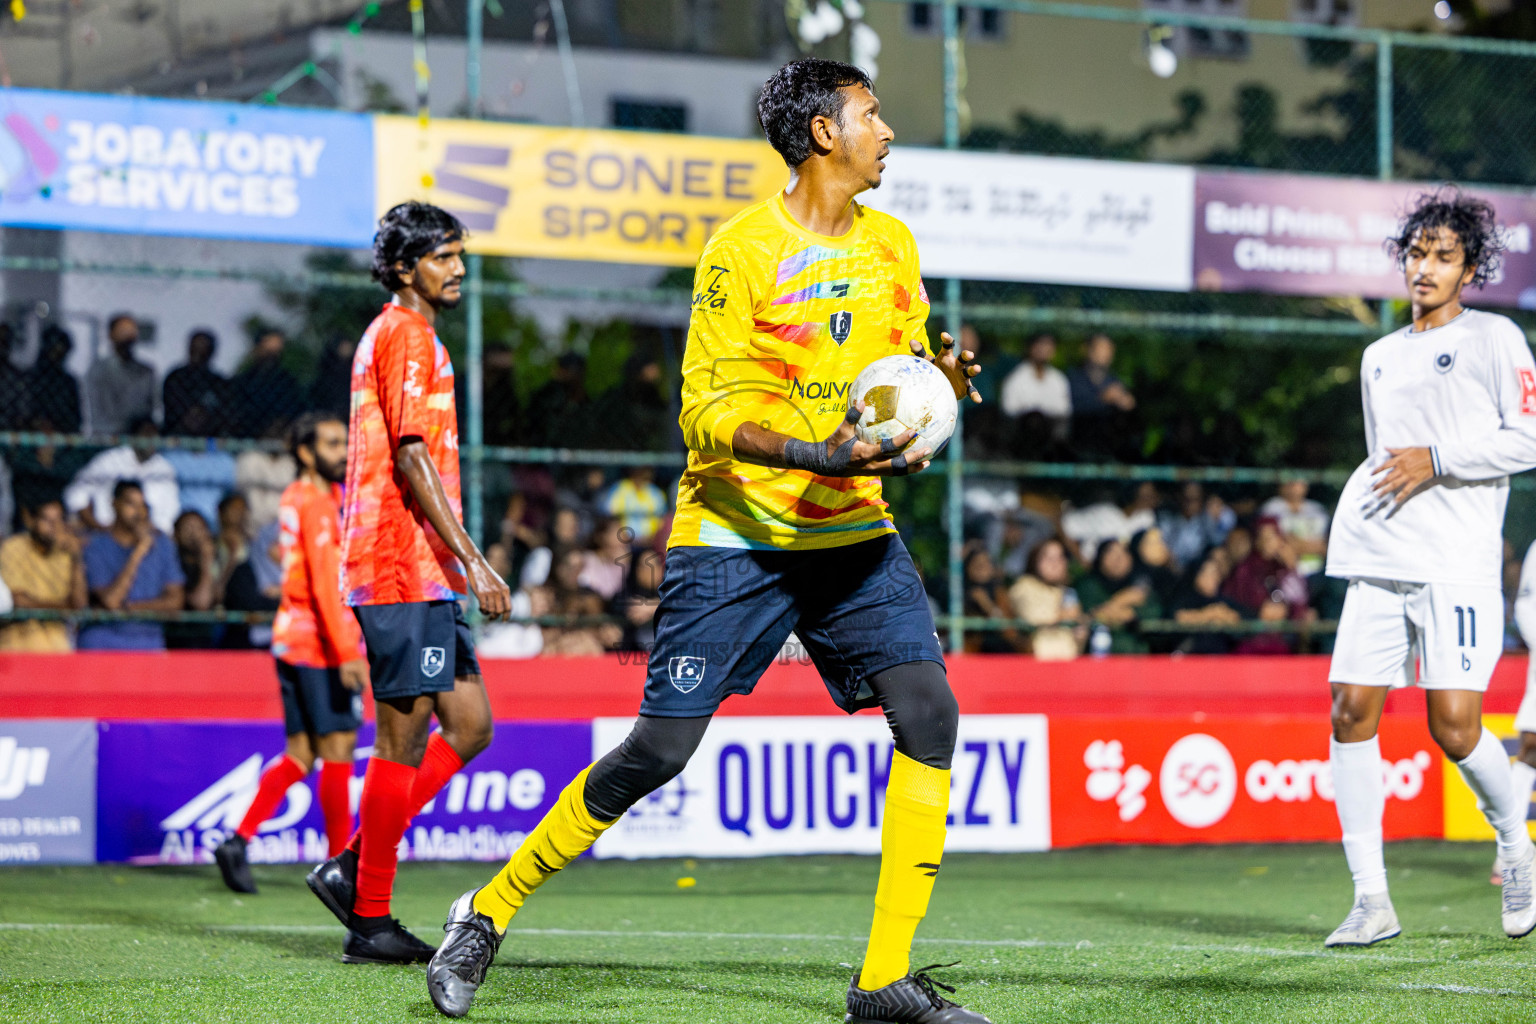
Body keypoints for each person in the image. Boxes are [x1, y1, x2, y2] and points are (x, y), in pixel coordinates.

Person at [423, 58, 989, 1024]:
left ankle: (883, 982)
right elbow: (705, 414)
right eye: (871, 114)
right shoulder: (741, 252)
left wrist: (933, 390)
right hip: (735, 536)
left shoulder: (892, 243)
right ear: (822, 133)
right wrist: (821, 449)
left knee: (930, 717)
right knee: (659, 752)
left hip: (852, 534)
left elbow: (895, 368)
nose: (886, 131)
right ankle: (487, 909)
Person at [1322, 188, 1536, 948]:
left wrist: (1438, 460)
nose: (1425, 267)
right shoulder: (1378, 356)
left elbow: (1528, 441)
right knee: (1349, 711)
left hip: (1456, 562)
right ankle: (1370, 900)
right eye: (1416, 253)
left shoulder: (1496, 339)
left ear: (1469, 267)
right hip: (1378, 555)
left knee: (1454, 727)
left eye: (1444, 256)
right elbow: (1388, 461)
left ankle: (1516, 844)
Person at [303, 202, 509, 966]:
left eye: (459, 255)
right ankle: (370, 917)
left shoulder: (409, 337)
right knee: (401, 737)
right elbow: (413, 458)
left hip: (423, 566)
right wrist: (476, 560)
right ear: (403, 267)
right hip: (399, 564)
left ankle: (353, 865)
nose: (458, 268)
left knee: (471, 725)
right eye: (444, 256)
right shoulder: (406, 335)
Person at [214, 413, 369, 895]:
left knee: (300, 755)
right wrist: (347, 651)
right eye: (331, 443)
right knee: (339, 750)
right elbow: (325, 584)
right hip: (319, 644)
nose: (343, 450)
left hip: (289, 638)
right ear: (305, 452)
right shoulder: (319, 505)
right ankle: (343, 869)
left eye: (345, 441)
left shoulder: (296, 497)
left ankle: (238, 840)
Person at [77, 480, 185, 650]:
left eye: (142, 505)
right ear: (114, 504)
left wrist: (130, 608)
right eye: (130, 504)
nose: (138, 512)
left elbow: (175, 601)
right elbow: (111, 601)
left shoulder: (163, 544)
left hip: (148, 638)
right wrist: (139, 551)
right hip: (104, 637)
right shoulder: (95, 546)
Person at [63, 417, 181, 534]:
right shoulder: (109, 460)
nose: (151, 440)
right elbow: (75, 494)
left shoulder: (165, 469)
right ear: (134, 437)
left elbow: (170, 512)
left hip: (149, 535)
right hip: (106, 533)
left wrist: (154, 531)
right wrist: (97, 527)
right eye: (147, 435)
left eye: (155, 436)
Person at [0, 497, 86, 652]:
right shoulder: (13, 547)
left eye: (58, 521)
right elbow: (18, 602)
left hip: (57, 643)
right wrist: (64, 607)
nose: (54, 527)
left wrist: (77, 558)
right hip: (17, 642)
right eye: (47, 520)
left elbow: (78, 605)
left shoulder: (66, 553)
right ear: (30, 520)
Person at [1007, 537, 1083, 660]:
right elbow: (1034, 618)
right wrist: (1063, 615)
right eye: (1049, 558)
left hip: (1068, 663)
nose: (1055, 564)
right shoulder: (1023, 586)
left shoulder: (1066, 592)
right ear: (1035, 560)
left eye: (1060, 558)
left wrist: (1079, 627)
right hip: (1037, 662)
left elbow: (1078, 636)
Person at [1066, 332, 1136, 458]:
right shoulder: (1073, 378)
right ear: (1088, 350)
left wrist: (1128, 406)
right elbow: (1071, 409)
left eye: (1109, 349)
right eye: (1101, 348)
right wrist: (1103, 399)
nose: (1106, 353)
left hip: (1109, 450)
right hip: (1078, 449)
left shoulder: (1115, 382)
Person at [998, 332, 1070, 451]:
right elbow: (1009, 411)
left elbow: (1063, 412)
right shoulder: (1016, 377)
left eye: (1048, 345)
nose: (1043, 349)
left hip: (1051, 440)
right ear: (1030, 347)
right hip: (1022, 438)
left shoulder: (1059, 379)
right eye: (1039, 344)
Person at [86, 314, 156, 436]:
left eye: (131, 333)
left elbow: (148, 408)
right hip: (106, 438)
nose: (128, 337)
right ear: (111, 335)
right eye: (123, 332)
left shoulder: (146, 372)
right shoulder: (99, 371)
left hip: (137, 439)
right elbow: (98, 410)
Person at [231, 329, 304, 438]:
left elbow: (290, 412)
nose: (272, 352)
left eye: (276, 349)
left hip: (276, 438)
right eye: (267, 347)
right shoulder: (242, 381)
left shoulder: (288, 382)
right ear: (257, 347)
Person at [162, 329, 229, 436]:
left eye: (203, 349)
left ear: (211, 352)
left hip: (210, 443)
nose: (198, 352)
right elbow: (172, 408)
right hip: (176, 439)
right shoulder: (175, 378)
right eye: (195, 348)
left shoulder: (219, 383)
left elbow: (222, 413)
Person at [1260, 478, 1330, 577]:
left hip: (1320, 573)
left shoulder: (1318, 509)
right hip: (1284, 573)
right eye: (1290, 481)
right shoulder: (1271, 508)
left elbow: (1328, 546)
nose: (1293, 485)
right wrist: (1313, 546)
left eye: (1298, 481)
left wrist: (1295, 543)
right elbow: (1271, 545)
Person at [24, 326, 82, 434]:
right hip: (29, 441)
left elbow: (75, 421)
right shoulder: (29, 380)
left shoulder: (68, 383)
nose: (56, 357)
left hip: (63, 441)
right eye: (53, 352)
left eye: (60, 353)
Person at [602, 465, 670, 545]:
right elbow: (609, 517)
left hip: (650, 543)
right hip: (623, 542)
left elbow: (663, 518)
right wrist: (623, 534)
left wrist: (653, 537)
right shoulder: (619, 488)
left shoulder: (656, 492)